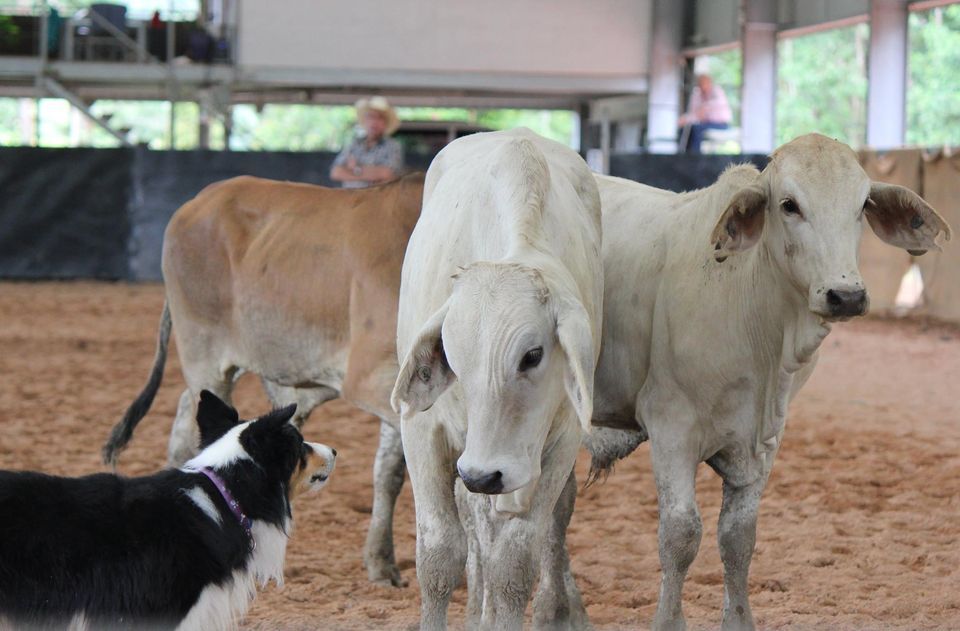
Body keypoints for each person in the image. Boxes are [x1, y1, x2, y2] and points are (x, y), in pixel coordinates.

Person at [330, 96, 404, 188]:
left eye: (380, 118)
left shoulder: (392, 146)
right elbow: (336, 172)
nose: (374, 122)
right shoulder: (354, 144)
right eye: (371, 117)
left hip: (376, 197)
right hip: (351, 196)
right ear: (365, 120)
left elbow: (386, 173)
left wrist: (355, 169)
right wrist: (371, 173)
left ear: (385, 123)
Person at [678, 73, 732, 154]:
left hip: (721, 124)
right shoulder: (697, 94)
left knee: (696, 129)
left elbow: (704, 110)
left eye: (704, 83)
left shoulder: (717, 92)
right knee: (684, 129)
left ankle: (695, 156)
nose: (702, 86)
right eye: (700, 84)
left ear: (710, 83)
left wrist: (689, 118)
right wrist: (685, 119)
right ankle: (684, 155)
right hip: (706, 124)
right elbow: (695, 113)